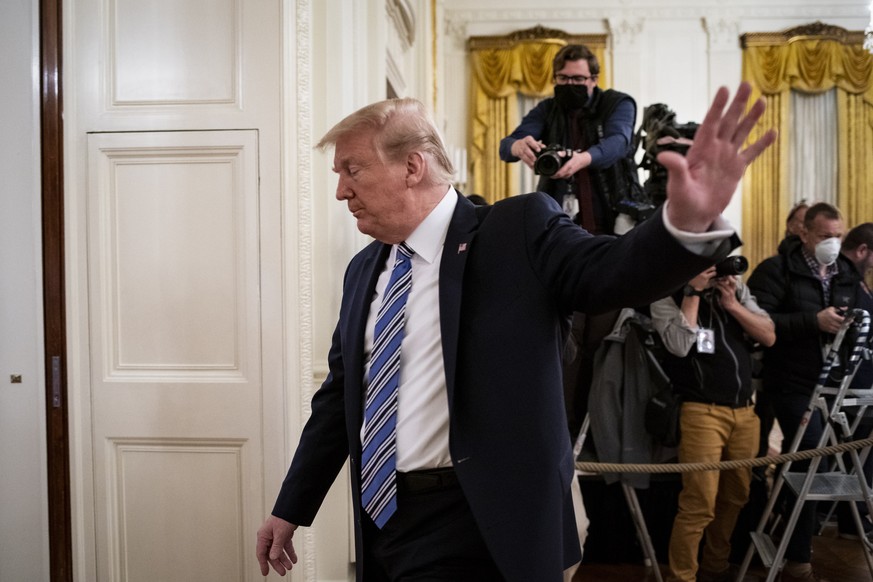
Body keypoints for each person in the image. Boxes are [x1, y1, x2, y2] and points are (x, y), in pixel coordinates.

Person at [256, 84, 775, 582]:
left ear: (412, 166)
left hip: (481, 520)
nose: (342, 189)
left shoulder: (516, 230)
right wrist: (291, 509)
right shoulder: (363, 270)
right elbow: (339, 400)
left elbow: (611, 272)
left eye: (353, 170)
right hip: (383, 521)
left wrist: (682, 223)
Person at [747, 202, 867, 582]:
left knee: (823, 463)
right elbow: (758, 324)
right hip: (789, 380)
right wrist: (812, 322)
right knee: (811, 454)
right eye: (825, 236)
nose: (832, 243)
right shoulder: (776, 270)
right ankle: (798, 558)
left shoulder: (848, 272)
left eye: (838, 236)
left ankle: (788, 521)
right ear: (804, 233)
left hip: (834, 383)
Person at [650, 264, 775, 582]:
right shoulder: (667, 295)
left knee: (736, 497)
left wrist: (731, 303)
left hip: (746, 413)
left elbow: (769, 335)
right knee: (699, 502)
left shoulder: (735, 291)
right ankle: (683, 576)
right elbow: (679, 347)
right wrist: (692, 291)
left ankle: (715, 567)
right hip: (702, 412)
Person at [498, 44, 636, 235]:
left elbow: (618, 143)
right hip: (557, 220)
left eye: (578, 78)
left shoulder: (617, 104)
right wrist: (518, 146)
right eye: (562, 78)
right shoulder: (547, 109)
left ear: (594, 80)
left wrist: (583, 159)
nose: (570, 84)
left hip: (614, 214)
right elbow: (505, 147)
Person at [835, 222, 873, 540]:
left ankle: (853, 520)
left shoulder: (857, 280)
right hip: (846, 383)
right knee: (858, 456)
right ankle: (855, 520)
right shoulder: (844, 278)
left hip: (860, 382)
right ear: (862, 251)